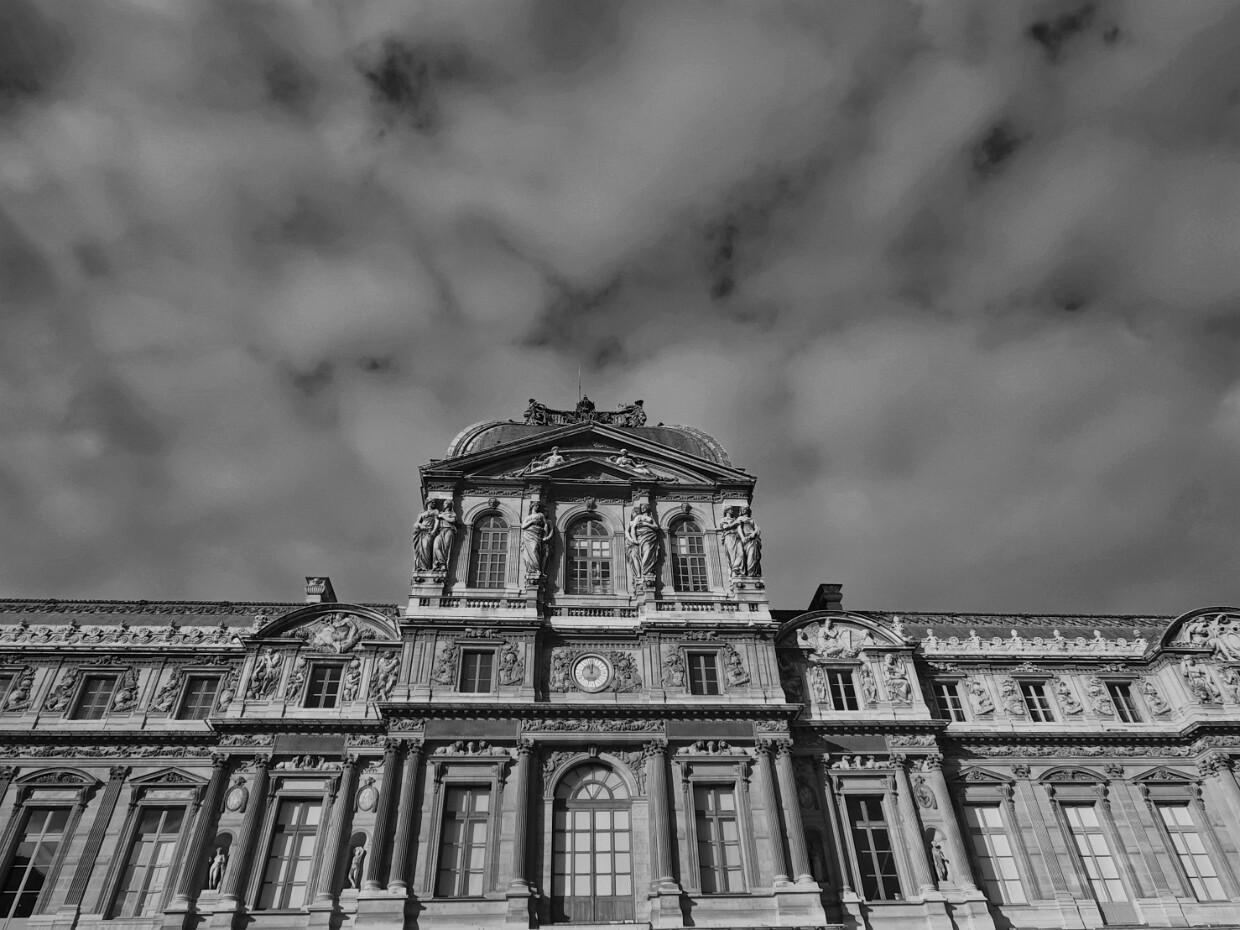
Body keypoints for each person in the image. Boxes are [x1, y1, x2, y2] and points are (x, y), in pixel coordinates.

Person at [520, 503, 553, 582]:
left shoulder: (540, 515)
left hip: (537, 534)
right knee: (529, 552)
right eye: (536, 505)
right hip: (528, 534)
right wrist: (531, 522)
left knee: (534, 549)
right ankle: (532, 569)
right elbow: (523, 526)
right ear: (532, 506)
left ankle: (536, 568)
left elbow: (545, 525)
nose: (537, 507)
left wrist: (546, 536)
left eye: (538, 506)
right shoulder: (528, 517)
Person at [626, 503, 660, 579]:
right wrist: (634, 539)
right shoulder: (639, 517)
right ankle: (642, 571)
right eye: (642, 507)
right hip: (641, 536)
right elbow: (633, 528)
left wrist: (646, 524)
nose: (643, 508)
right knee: (642, 553)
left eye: (644, 507)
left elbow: (656, 527)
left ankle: (646, 570)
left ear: (648, 508)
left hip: (650, 536)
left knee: (648, 551)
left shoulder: (651, 518)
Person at [432, 501, 458, 572]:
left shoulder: (452, 513)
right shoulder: (440, 513)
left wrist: (443, 516)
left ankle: (444, 565)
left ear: (449, 505)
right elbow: (436, 523)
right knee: (436, 546)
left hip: (449, 530)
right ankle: (441, 563)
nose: (444, 504)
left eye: (446, 503)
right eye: (444, 503)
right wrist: (433, 532)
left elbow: (452, 520)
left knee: (446, 548)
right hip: (440, 531)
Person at [411, 504, 437, 572]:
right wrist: (420, 525)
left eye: (434, 502)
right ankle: (422, 567)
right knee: (421, 549)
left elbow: (437, 521)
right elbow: (416, 524)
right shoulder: (422, 513)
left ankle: (427, 566)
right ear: (428, 503)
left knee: (426, 548)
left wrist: (434, 531)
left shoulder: (435, 511)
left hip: (429, 532)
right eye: (432, 502)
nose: (433, 503)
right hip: (421, 531)